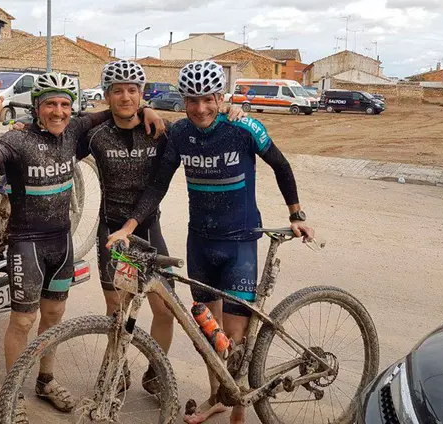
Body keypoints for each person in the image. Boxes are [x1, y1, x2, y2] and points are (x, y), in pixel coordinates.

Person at [106, 60, 314, 424]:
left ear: (220, 96)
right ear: (184, 101)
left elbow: (281, 165)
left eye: (208, 99)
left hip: (239, 242)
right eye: (192, 100)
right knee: (208, 335)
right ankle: (218, 396)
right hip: (200, 241)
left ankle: (238, 411)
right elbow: (158, 185)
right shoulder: (181, 134)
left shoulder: (243, 127)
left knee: (234, 339)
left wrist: (297, 215)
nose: (200, 108)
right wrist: (130, 226)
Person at [0, 73, 165, 423]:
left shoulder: (75, 132)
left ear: (72, 109)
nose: (58, 111)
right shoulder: (16, 141)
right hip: (27, 243)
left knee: (54, 317)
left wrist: (148, 110)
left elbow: (118, 110)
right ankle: (13, 393)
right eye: (50, 104)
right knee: (23, 320)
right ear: (37, 108)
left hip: (61, 242)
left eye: (65, 105)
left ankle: (46, 380)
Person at [77, 59, 247, 395]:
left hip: (148, 229)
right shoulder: (94, 135)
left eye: (132, 90)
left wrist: (230, 110)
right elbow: (59, 139)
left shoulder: (161, 129)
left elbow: (201, 120)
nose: (125, 97)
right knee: (117, 310)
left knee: (165, 309)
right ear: (108, 94)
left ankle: (156, 374)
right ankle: (117, 370)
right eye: (118, 91)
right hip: (111, 231)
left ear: (141, 93)